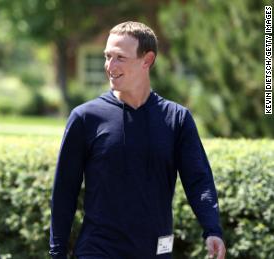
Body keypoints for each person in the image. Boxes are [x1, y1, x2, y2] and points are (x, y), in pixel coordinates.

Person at [49, 21, 226, 259]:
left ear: (147, 60)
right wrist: (57, 253)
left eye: (120, 57)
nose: (110, 66)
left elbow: (199, 179)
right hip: (98, 251)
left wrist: (212, 229)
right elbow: (64, 191)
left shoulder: (177, 119)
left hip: (156, 251)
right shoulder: (85, 117)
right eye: (107, 56)